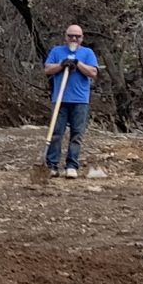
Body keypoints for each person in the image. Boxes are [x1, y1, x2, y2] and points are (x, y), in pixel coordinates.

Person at [42, 24, 99, 176]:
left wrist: (78, 63)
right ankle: (52, 165)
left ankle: (71, 165)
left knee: (77, 134)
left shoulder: (88, 53)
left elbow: (93, 72)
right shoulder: (57, 51)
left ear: (82, 38)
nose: (74, 38)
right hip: (60, 100)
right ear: (65, 36)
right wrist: (62, 65)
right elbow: (47, 69)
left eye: (77, 36)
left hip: (80, 100)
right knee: (56, 133)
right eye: (71, 35)